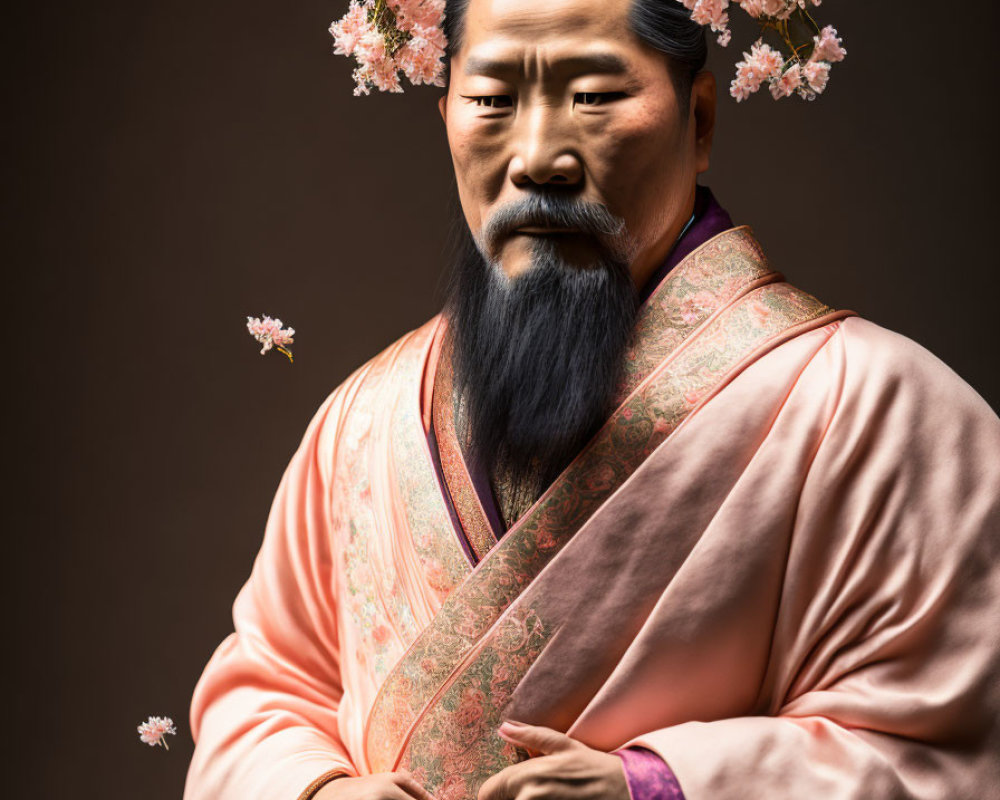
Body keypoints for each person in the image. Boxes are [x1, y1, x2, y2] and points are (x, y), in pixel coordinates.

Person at [183, 0, 1000, 798]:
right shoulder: (363, 419)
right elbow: (264, 693)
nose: (538, 156)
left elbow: (954, 751)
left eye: (595, 96)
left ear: (700, 120)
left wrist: (662, 787)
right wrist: (318, 790)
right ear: (445, 121)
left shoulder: (879, 409)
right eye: (492, 101)